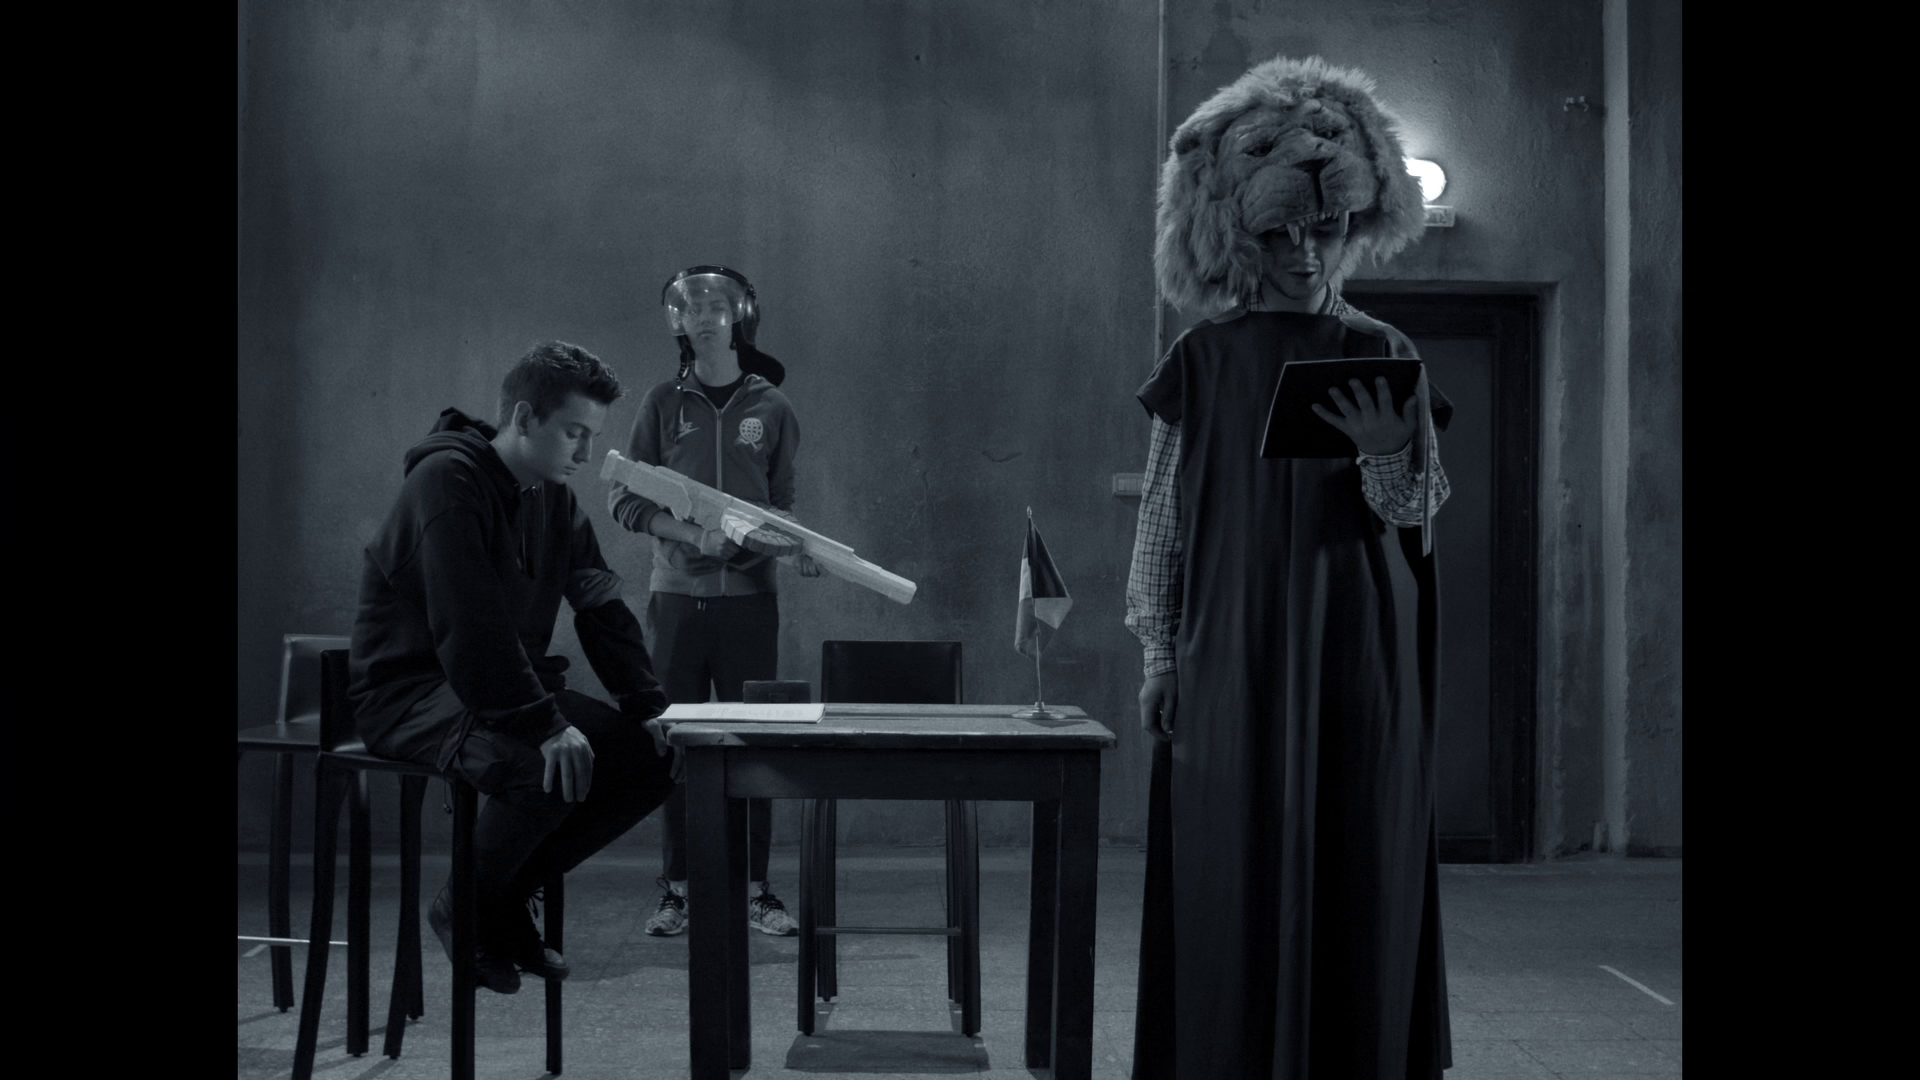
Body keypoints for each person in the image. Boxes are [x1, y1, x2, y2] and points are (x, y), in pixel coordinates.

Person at [1125, 56, 1455, 1077]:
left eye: (1322, 230)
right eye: (1279, 236)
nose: (1303, 252)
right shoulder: (1204, 356)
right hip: (1233, 643)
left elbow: (1419, 515)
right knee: (1231, 847)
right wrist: (1158, 655)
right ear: (1238, 235)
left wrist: (1385, 453)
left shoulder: (1383, 345)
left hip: (1359, 646)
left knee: (1359, 847)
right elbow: (1163, 521)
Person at [349, 341, 676, 994]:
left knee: (649, 762)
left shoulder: (555, 501)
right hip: (414, 691)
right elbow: (468, 626)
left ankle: (495, 897)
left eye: (592, 435)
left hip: (499, 687)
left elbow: (600, 608)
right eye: (574, 433)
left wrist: (649, 707)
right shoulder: (446, 482)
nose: (586, 453)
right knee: (542, 767)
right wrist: (544, 725)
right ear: (525, 418)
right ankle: (470, 908)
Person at [609, 265, 821, 938]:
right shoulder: (661, 405)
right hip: (675, 601)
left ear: (739, 319)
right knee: (676, 742)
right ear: (678, 322)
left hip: (750, 603)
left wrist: (794, 546)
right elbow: (625, 498)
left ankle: (756, 889)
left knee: (756, 743)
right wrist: (693, 535)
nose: (703, 317)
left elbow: (782, 504)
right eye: (691, 308)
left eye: (715, 308)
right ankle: (677, 888)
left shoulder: (772, 408)